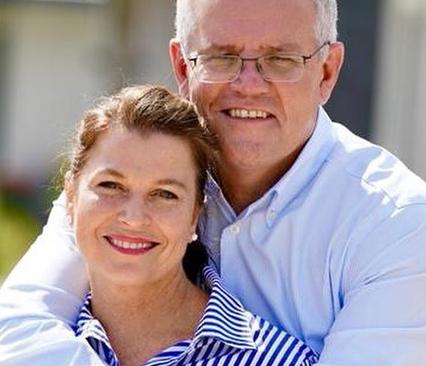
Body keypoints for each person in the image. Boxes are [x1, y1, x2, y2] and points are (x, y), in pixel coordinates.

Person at [0, 1, 426, 365]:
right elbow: (14, 337)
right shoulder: (126, 182)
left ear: (327, 71)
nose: (249, 84)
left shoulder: (396, 225)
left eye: (280, 59)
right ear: (184, 67)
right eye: (222, 57)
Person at [62, 84, 318, 366]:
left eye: (164, 194)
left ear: (195, 214)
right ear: (71, 197)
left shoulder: (275, 361)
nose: (133, 218)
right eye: (111, 185)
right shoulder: (29, 345)